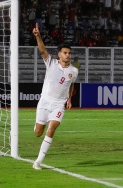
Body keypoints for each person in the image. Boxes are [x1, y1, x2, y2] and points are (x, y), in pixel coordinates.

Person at [32, 23, 78, 170]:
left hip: (59, 104)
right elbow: (42, 50)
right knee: (38, 133)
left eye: (69, 53)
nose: (68, 55)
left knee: (51, 129)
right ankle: (38, 125)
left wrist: (69, 98)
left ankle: (38, 161)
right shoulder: (51, 62)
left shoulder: (74, 70)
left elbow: (71, 84)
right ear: (59, 54)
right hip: (45, 101)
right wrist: (38, 36)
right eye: (65, 53)